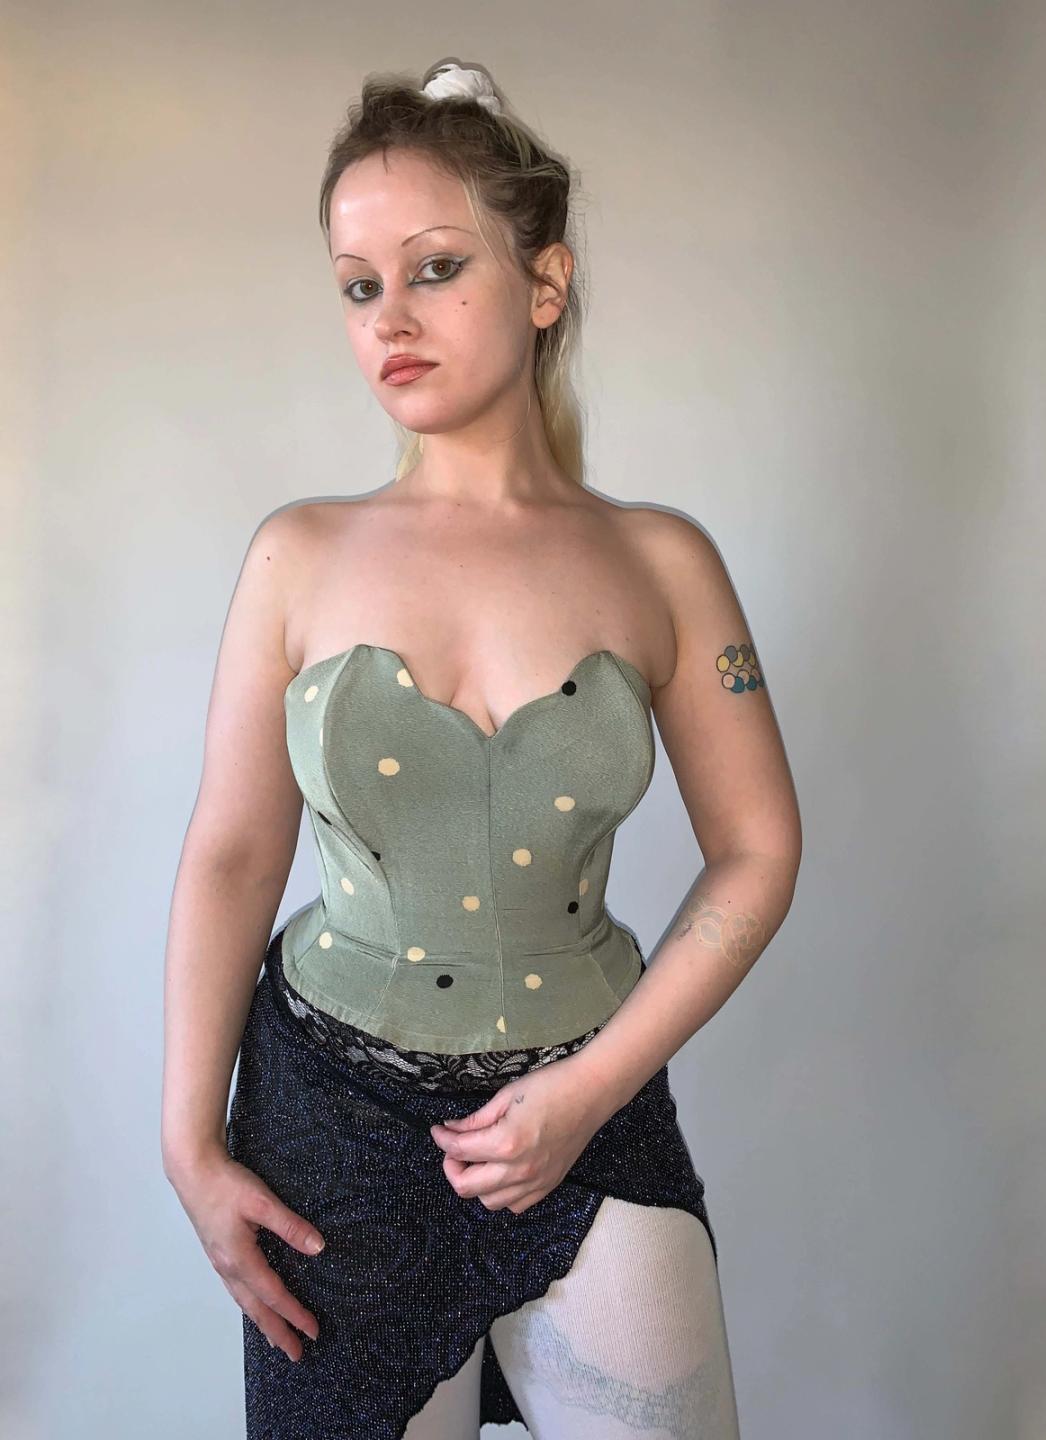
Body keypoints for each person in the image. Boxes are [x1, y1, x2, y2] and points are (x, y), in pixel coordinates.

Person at [161, 58, 802, 1440]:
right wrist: (187, 1142)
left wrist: (592, 1089)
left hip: (592, 1110)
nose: (390, 316)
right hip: (328, 1133)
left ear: (545, 283)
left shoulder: (663, 563)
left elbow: (758, 849)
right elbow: (232, 852)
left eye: (436, 267)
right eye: (358, 285)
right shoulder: (296, 555)